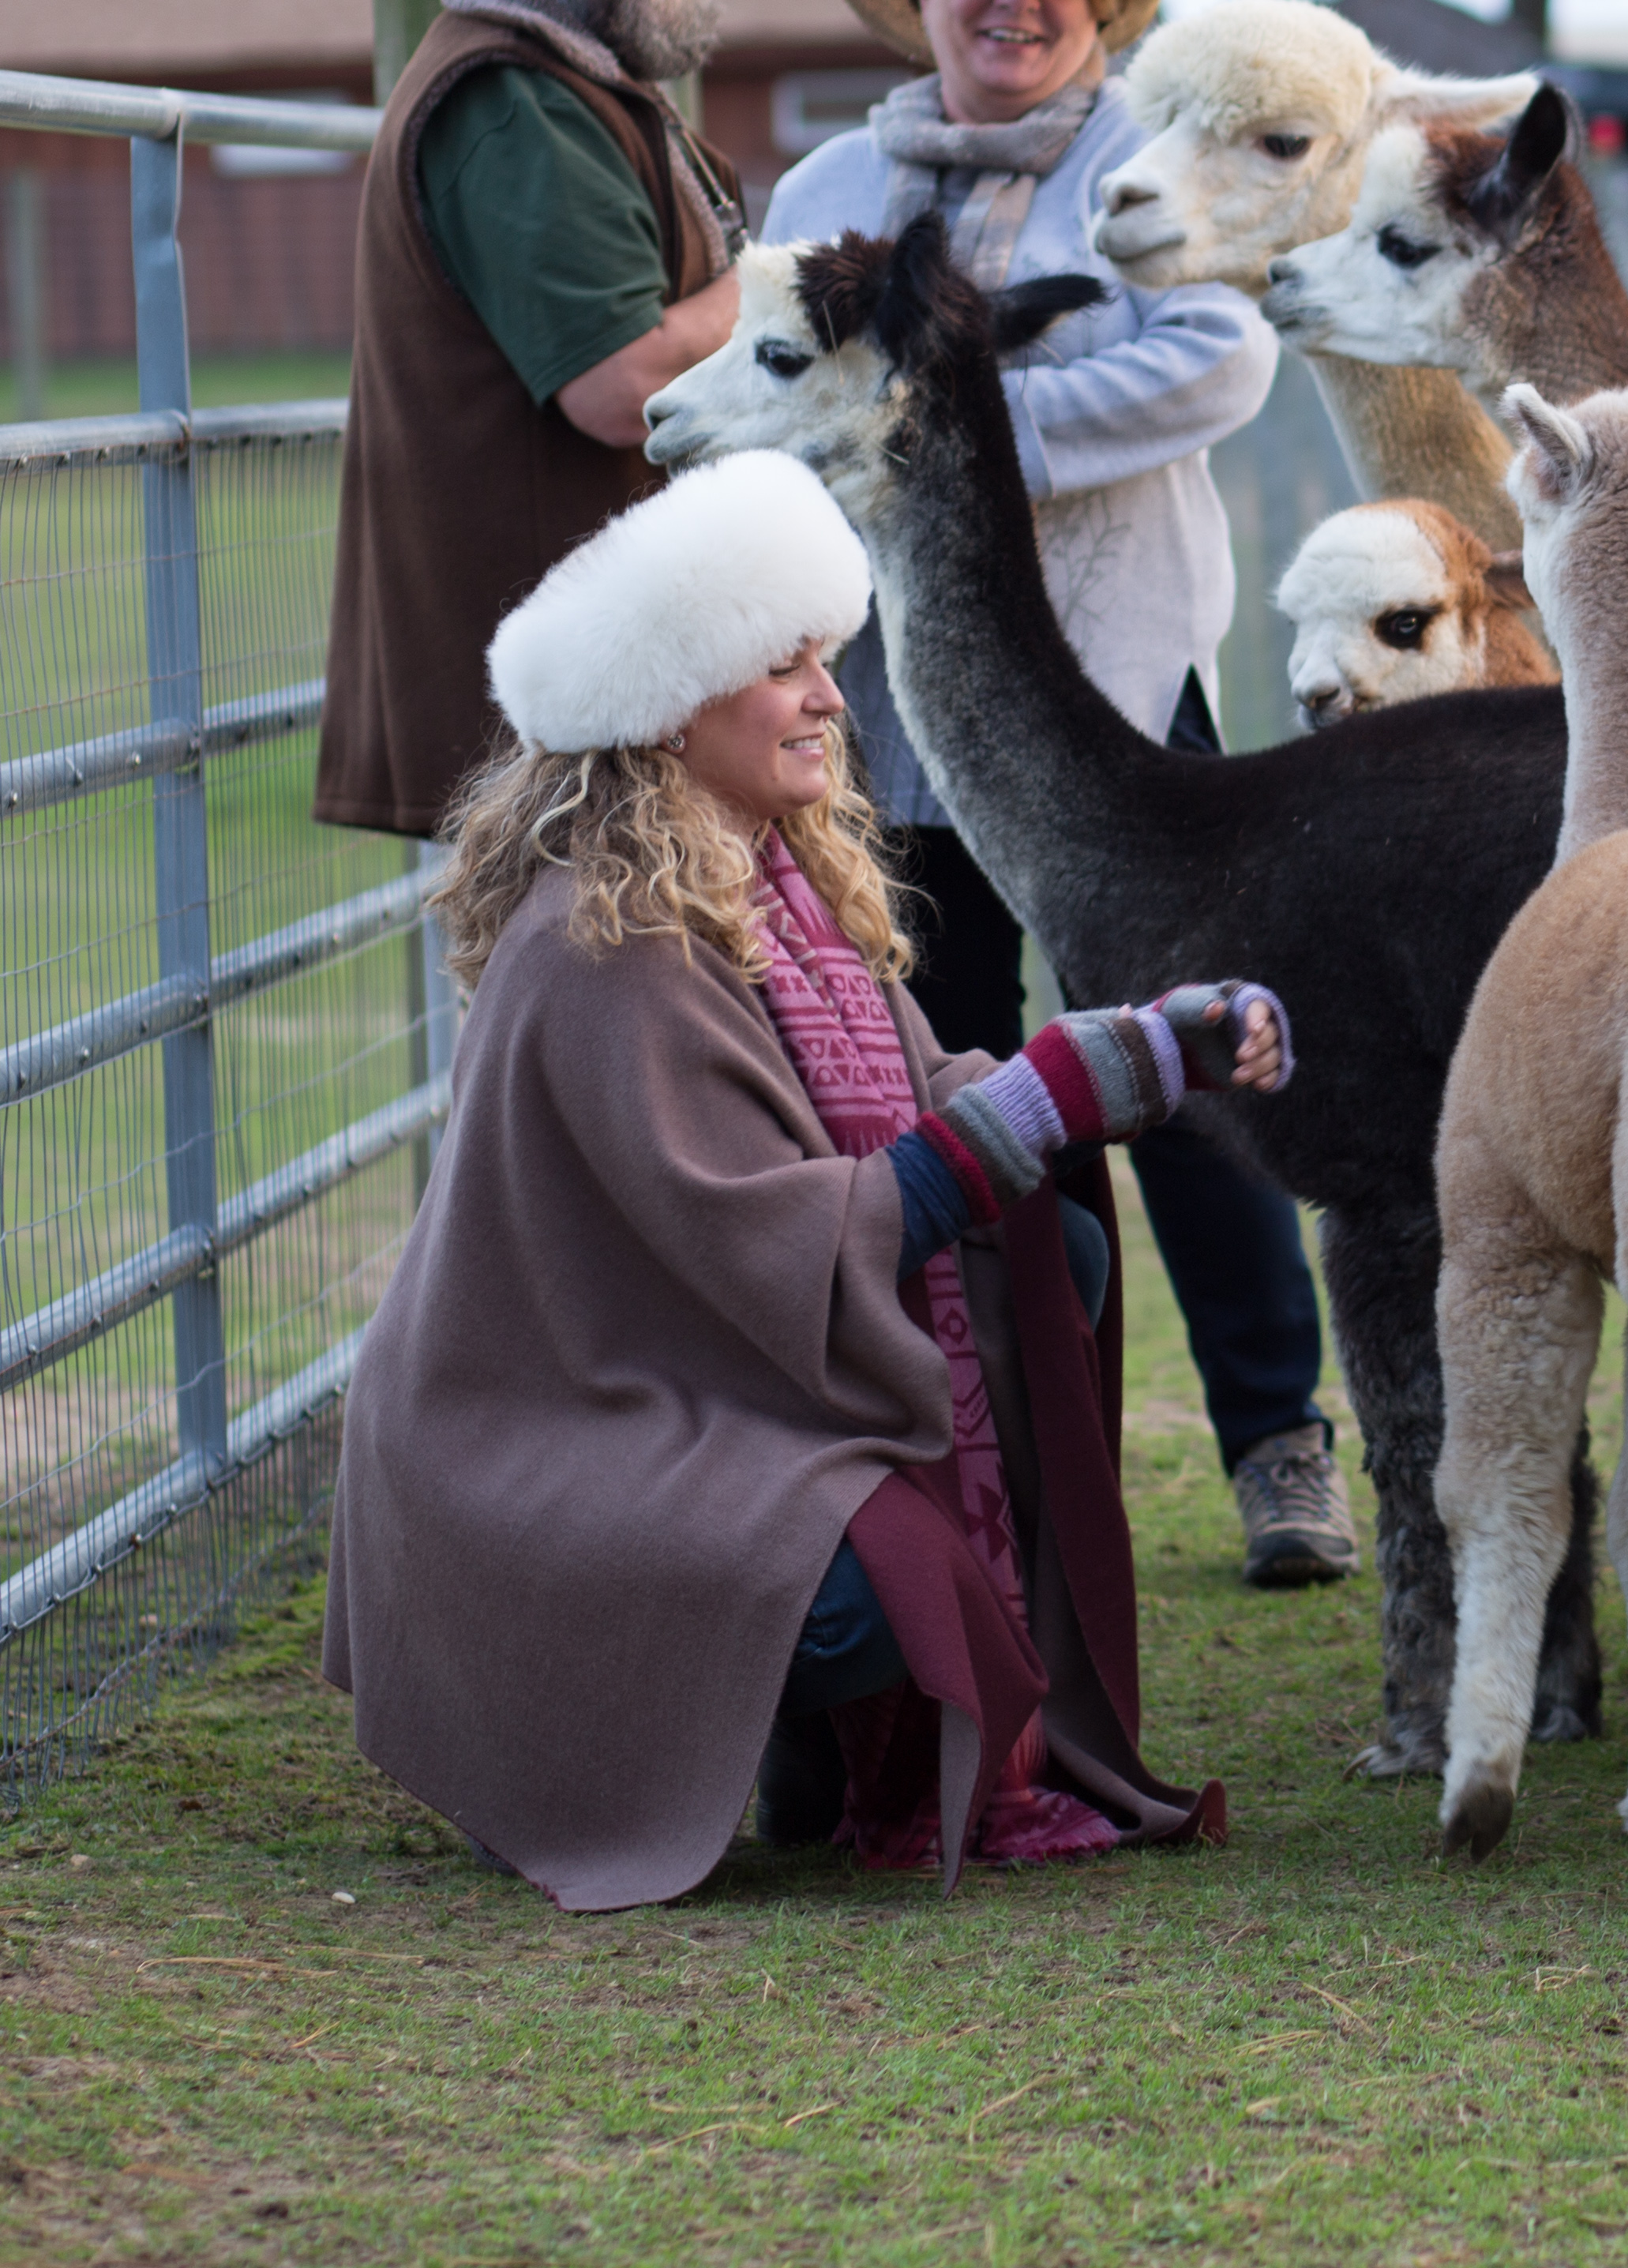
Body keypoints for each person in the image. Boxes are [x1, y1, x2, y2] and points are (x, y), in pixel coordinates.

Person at [324, 451, 1278, 1906]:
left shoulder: (770, 886)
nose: (835, 698)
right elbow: (768, 1237)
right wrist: (1045, 1099)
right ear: (672, 705)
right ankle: (619, 1731)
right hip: (554, 1453)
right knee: (889, 1585)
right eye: (788, 667)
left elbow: (914, 1110)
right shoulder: (609, 944)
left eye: (826, 660)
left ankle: (810, 1742)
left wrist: (1143, 1052)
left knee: (1056, 1262)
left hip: (695, 1392)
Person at [763, 0, 1359, 1594]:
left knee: (1182, 1057)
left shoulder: (1141, 159)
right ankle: (1025, 1447)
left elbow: (1217, 359)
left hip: (1103, 684)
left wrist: (946, 435)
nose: (1016, 0)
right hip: (891, 696)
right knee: (962, 1074)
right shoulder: (831, 184)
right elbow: (783, 379)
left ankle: (1278, 1441)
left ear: (1099, 6)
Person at [319, 0, 796, 839]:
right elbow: (622, 386)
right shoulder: (513, 102)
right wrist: (771, 291)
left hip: (595, 708)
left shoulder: (579, 81)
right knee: (594, 1004)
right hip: (564, 735)